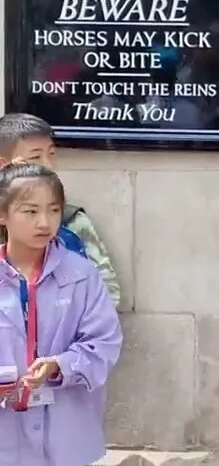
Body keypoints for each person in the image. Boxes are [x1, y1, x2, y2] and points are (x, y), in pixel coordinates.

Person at [0, 162, 123, 466]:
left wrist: (59, 365)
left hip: (66, 432)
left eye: (54, 210)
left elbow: (104, 342)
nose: (44, 222)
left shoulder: (81, 274)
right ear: (2, 214)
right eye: (31, 212)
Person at [0, 113, 122, 309]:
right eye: (35, 157)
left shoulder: (71, 222)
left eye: (51, 154)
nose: (49, 165)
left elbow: (108, 292)